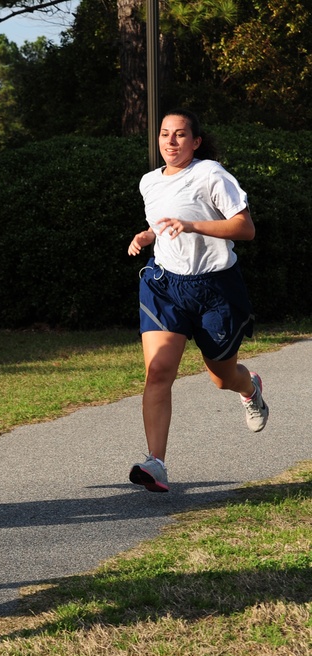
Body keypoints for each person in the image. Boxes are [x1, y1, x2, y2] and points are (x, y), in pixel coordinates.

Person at [127, 108, 268, 493]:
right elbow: (165, 224)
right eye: (164, 134)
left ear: (196, 141)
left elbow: (245, 228)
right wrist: (147, 236)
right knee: (158, 372)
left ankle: (249, 388)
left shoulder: (210, 174)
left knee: (222, 377)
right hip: (164, 286)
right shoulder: (149, 183)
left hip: (215, 289)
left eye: (179, 135)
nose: (170, 142)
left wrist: (191, 225)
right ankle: (156, 463)